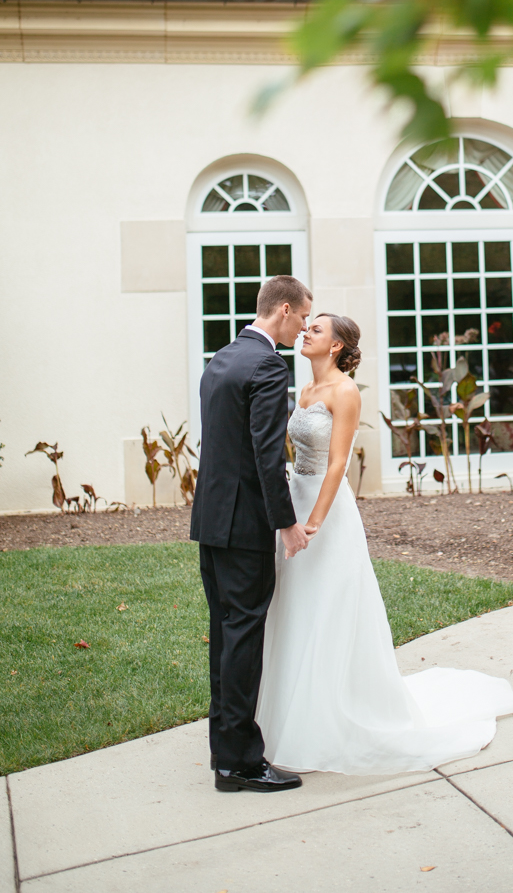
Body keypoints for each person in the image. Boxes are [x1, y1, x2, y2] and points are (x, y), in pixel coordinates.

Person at [256, 313, 513, 774]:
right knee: (293, 609)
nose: (306, 332)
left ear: (338, 347)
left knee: (325, 609)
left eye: (317, 329)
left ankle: (328, 720)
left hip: (325, 515)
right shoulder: (302, 390)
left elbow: (338, 464)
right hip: (293, 503)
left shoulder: (344, 392)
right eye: (308, 326)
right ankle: (285, 719)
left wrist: (314, 524)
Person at [191, 274, 314, 793]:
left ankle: (226, 756)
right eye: (304, 317)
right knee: (242, 637)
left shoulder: (220, 358)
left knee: (226, 634)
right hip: (244, 527)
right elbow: (268, 456)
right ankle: (241, 761)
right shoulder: (266, 364)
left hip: (212, 521)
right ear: (283, 310)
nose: (305, 327)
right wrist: (285, 522)